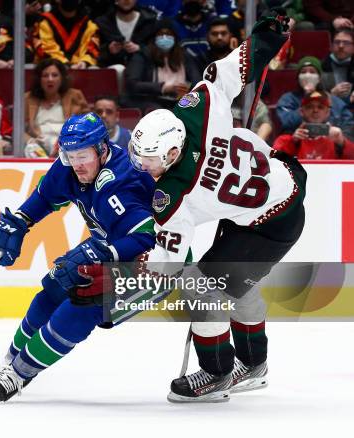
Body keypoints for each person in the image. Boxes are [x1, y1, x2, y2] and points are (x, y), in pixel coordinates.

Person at [124, 9, 307, 402]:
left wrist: (142, 266)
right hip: (282, 176)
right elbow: (233, 68)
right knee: (235, 283)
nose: (143, 166)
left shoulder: (172, 195)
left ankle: (216, 372)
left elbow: (170, 265)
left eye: (150, 160)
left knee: (203, 288)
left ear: (173, 151)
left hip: (271, 222)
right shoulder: (197, 108)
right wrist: (266, 40)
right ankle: (255, 366)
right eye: (139, 156)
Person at [0, 112, 157, 402]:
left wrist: (103, 254)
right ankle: (8, 361)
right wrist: (22, 220)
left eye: (83, 155)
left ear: (101, 148)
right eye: (70, 155)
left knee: (83, 304)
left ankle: (18, 374)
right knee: (55, 287)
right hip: (110, 244)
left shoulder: (122, 182)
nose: (77, 164)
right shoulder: (69, 165)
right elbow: (47, 196)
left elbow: (144, 238)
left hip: (153, 262)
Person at [123, 18, 201, 110]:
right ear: (154, 37)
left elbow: (198, 83)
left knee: (198, 103)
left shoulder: (185, 56)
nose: (165, 37)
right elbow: (133, 84)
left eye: (169, 34)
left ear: (175, 38)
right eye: (161, 34)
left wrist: (185, 91)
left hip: (180, 100)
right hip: (151, 101)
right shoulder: (142, 55)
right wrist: (163, 88)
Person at [24, 59, 90, 156]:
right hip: (39, 147)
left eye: (54, 75)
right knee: (31, 148)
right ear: (39, 79)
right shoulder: (27, 98)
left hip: (68, 145)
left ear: (62, 78)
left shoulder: (75, 96)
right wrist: (31, 140)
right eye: (45, 75)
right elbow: (19, 130)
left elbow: (87, 125)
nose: (50, 79)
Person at [276, 56, 353, 133]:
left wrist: (340, 139)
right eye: (303, 72)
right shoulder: (288, 99)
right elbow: (285, 123)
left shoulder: (333, 100)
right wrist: (307, 99)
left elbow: (349, 126)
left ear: (319, 78)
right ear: (298, 78)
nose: (307, 75)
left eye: (312, 72)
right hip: (298, 141)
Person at [273, 91, 354, 159]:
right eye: (309, 107)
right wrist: (292, 142)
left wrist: (342, 143)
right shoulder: (288, 138)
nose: (315, 110)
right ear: (301, 111)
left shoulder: (337, 137)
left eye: (320, 107)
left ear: (328, 112)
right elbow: (274, 160)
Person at [32, 0, 100, 68]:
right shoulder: (44, 21)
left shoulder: (89, 24)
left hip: (81, 68)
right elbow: (46, 49)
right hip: (50, 69)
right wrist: (67, 65)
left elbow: (92, 50)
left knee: (93, 68)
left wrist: (84, 62)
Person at [94, 0, 157, 68]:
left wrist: (139, 48)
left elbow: (157, 51)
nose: (126, 0)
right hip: (111, 68)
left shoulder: (149, 21)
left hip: (142, 69)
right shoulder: (103, 23)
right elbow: (94, 52)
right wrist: (108, 50)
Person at [322, 28, 354, 108]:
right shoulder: (321, 66)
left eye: (346, 43)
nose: (341, 46)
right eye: (337, 42)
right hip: (329, 109)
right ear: (331, 45)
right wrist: (331, 94)